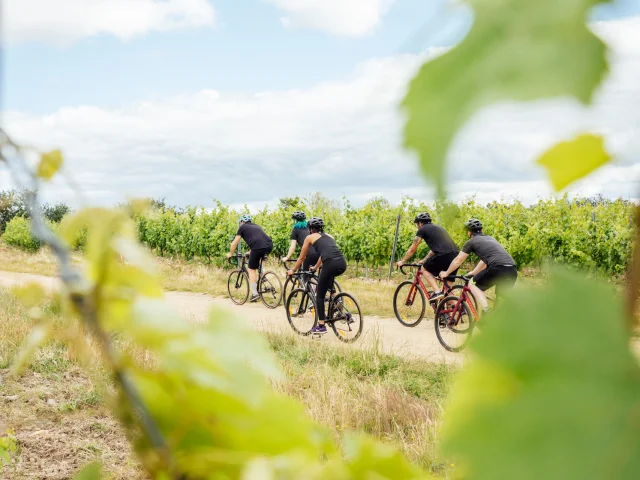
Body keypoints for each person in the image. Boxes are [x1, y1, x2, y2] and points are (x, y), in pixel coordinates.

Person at [439, 218, 517, 313]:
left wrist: (446, 273)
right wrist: (473, 272)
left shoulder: (471, 242)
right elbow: (484, 261)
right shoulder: (491, 239)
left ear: (469, 232)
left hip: (497, 268)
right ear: (482, 230)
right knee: (501, 297)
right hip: (512, 269)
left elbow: (458, 260)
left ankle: (486, 311)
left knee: (473, 284)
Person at [287, 217, 346, 335]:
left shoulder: (309, 237)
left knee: (319, 295)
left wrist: (293, 270)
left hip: (329, 264)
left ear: (310, 229)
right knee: (328, 285)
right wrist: (315, 267)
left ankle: (321, 326)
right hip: (342, 263)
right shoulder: (329, 236)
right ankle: (339, 305)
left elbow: (302, 257)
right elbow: (323, 255)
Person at [396, 212, 459, 302]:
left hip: (443, 255)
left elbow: (413, 248)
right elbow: (434, 249)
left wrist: (403, 261)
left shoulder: (422, 229)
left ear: (420, 223)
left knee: (424, 269)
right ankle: (451, 309)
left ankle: (437, 292)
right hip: (456, 256)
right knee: (447, 288)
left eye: (417, 224)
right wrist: (424, 260)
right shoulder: (439, 228)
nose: (417, 226)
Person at [227, 214, 273, 302]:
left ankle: (255, 294)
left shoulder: (242, 227)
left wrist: (230, 253)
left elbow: (234, 243)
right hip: (269, 245)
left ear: (242, 222)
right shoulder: (256, 226)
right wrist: (250, 251)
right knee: (259, 261)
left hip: (257, 247)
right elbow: (259, 240)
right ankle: (262, 275)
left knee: (251, 269)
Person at [281, 211, 319, 284]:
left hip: (309, 254)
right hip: (319, 253)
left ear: (295, 220)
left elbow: (293, 246)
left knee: (306, 278)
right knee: (312, 274)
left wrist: (287, 257)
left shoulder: (295, 230)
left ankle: (314, 293)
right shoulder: (310, 228)